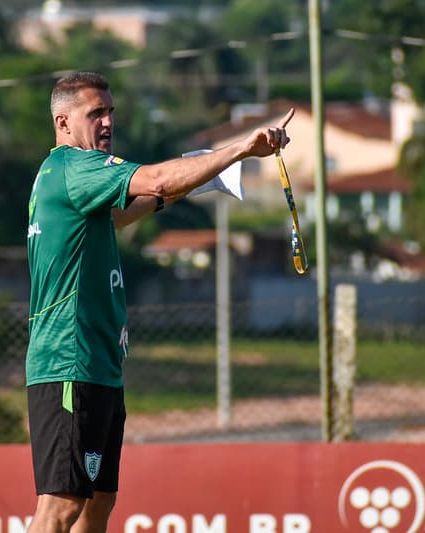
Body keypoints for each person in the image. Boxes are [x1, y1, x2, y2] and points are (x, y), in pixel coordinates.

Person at [25, 71, 293, 533]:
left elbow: (124, 213)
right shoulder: (73, 165)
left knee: (98, 503)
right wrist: (239, 150)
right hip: (68, 364)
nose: (108, 121)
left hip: (98, 364)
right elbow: (158, 181)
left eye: (110, 111)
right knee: (60, 507)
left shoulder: (71, 178)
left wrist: (208, 176)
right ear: (63, 122)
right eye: (96, 113)